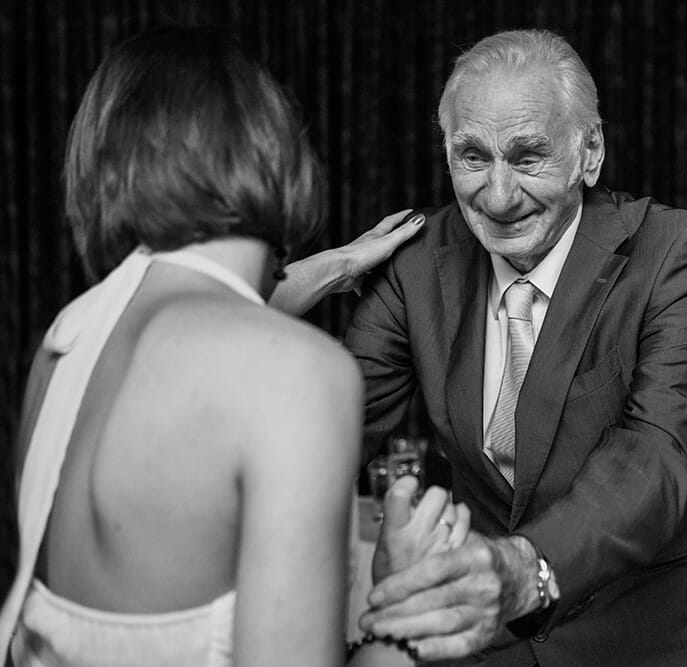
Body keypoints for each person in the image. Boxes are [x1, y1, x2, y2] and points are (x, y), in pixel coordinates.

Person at [0, 26, 466, 667]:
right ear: (275, 158)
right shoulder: (293, 373)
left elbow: (197, 321)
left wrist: (335, 265)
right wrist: (400, 614)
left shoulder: (66, 344)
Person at [336, 29, 687, 665]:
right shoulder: (414, 265)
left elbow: (657, 457)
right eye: (473, 157)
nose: (497, 197)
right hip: (487, 647)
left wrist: (526, 569)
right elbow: (326, 428)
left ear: (589, 152)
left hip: (641, 642)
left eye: (527, 158)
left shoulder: (671, 252)